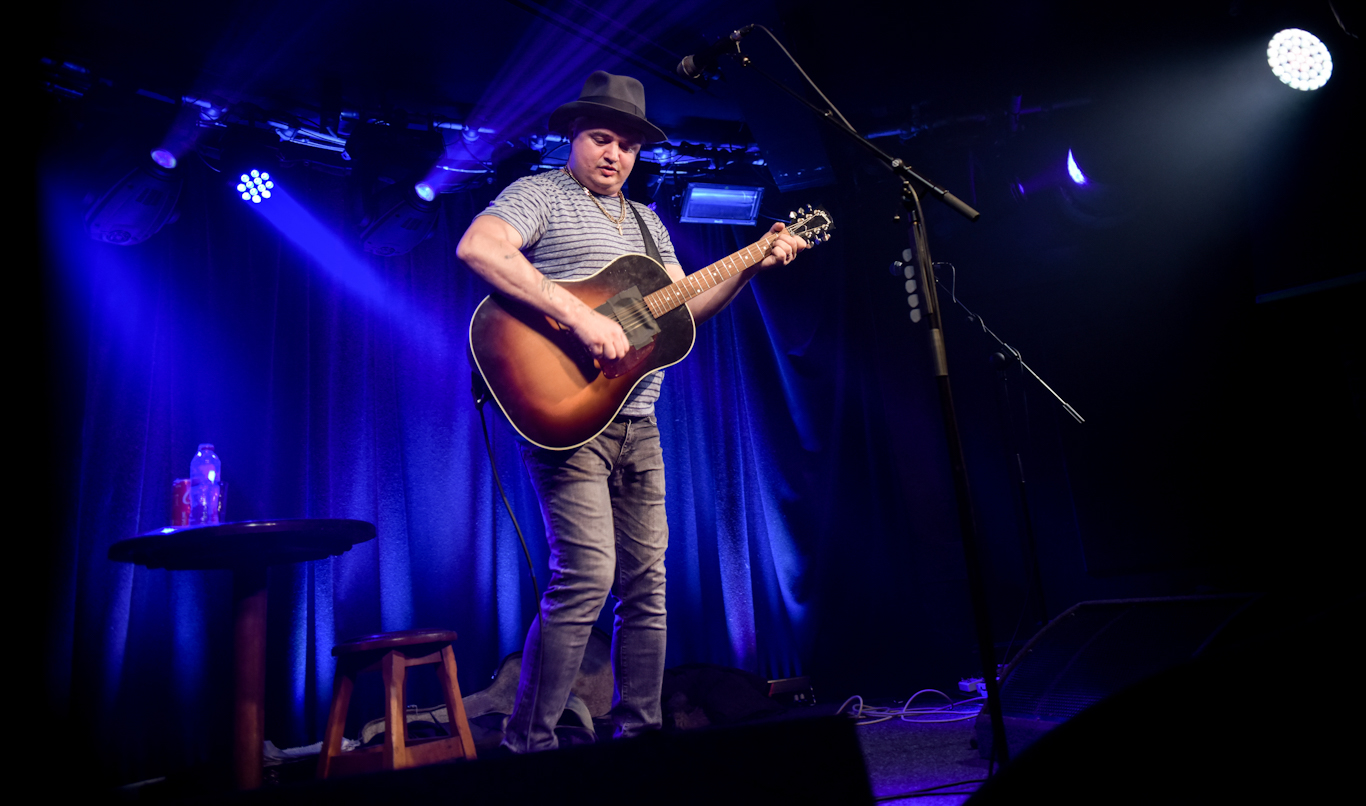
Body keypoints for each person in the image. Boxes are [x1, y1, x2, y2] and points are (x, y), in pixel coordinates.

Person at [456, 71, 807, 753]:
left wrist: (753, 262)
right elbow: (480, 247)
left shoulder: (647, 222)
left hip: (636, 423)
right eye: (601, 138)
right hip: (565, 422)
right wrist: (579, 321)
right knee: (585, 576)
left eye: (627, 145)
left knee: (647, 586)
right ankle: (529, 744)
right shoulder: (540, 194)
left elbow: (683, 309)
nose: (615, 154)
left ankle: (640, 739)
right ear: (574, 137)